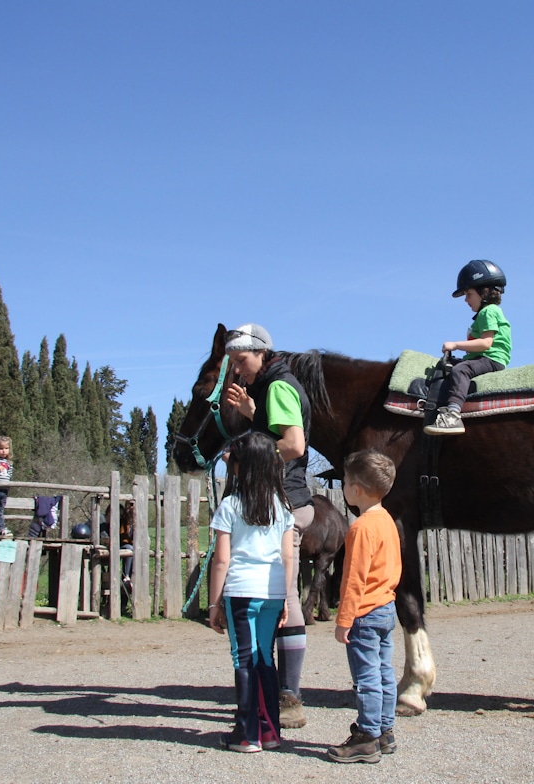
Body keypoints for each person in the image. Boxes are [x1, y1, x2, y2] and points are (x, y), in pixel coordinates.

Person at [224, 322, 314, 729]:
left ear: (261, 353)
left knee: (285, 595)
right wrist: (252, 414)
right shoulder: (271, 387)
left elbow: (294, 445)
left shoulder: (277, 386)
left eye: (241, 360)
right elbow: (274, 431)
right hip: (284, 498)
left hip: (286, 501)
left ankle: (289, 698)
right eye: (233, 362)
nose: (237, 369)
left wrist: (246, 458)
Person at [207, 432, 295, 753]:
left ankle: (246, 733)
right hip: (273, 591)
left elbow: (221, 560)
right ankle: (270, 731)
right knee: (265, 659)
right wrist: (284, 597)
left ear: (240, 467)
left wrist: (214, 604)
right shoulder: (282, 506)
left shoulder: (230, 505)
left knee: (243, 659)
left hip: (241, 591)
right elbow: (288, 557)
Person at [326, 450, 402, 764]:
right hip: (386, 607)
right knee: (384, 672)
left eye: (345, 482)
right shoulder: (387, 521)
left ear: (356, 490)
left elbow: (354, 579)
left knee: (366, 677)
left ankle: (367, 737)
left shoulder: (360, 528)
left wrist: (344, 619)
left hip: (365, 613)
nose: (344, 486)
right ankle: (385, 730)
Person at [424, 259, 512, 436]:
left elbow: (486, 343)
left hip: (491, 358)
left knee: (460, 370)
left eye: (469, 294)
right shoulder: (484, 314)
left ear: (484, 292)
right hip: (482, 357)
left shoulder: (489, 311)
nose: (466, 300)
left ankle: (453, 415)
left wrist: (455, 345)